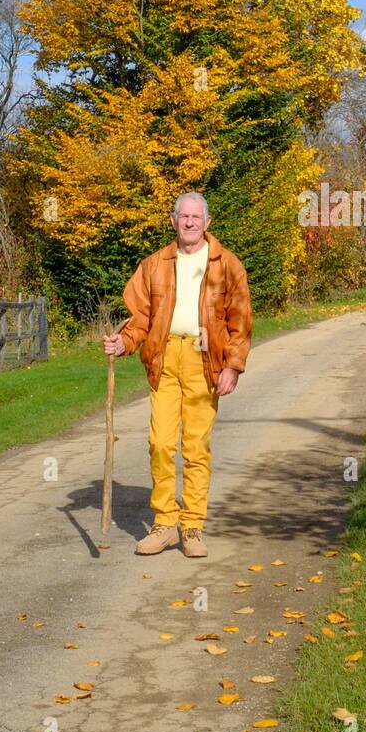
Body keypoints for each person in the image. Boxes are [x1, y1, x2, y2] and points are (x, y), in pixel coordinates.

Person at [102, 192, 252, 558]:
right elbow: (140, 318)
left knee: (196, 447)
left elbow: (241, 320)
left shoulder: (227, 265)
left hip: (205, 360)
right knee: (161, 443)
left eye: (195, 217)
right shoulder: (154, 265)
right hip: (165, 358)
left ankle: (193, 527)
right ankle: (165, 523)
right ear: (173, 221)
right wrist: (123, 342)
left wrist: (232, 365)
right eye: (183, 217)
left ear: (207, 222)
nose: (189, 222)